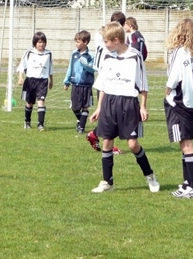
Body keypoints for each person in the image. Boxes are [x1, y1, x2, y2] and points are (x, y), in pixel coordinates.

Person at [89, 22, 159, 193]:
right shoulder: (107, 56)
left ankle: (150, 176)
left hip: (128, 103)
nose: (104, 44)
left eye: (106, 41)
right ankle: (107, 182)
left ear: (116, 40)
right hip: (109, 102)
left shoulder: (135, 56)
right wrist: (99, 108)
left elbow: (143, 83)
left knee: (133, 144)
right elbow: (103, 85)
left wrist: (143, 106)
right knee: (107, 142)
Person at [164, 19, 193, 199]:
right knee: (183, 143)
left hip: (178, 103)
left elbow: (173, 77)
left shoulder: (179, 52)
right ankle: (187, 184)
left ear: (178, 33)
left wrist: (167, 94)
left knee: (186, 144)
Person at [86, 10, 126, 153]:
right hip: (108, 80)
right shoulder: (112, 42)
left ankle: (96, 135)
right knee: (110, 115)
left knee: (110, 114)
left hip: (105, 78)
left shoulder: (101, 35)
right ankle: (102, 140)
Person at [17, 31, 53, 131]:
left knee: (41, 102)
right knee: (30, 103)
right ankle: (27, 121)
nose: (41, 44)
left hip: (43, 81)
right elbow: (22, 66)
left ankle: (40, 124)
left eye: (43, 42)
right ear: (35, 43)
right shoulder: (29, 52)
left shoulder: (48, 53)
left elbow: (50, 68)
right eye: (39, 42)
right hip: (30, 81)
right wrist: (20, 77)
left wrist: (51, 80)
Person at [63, 30, 96, 134]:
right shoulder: (74, 54)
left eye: (78, 42)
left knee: (85, 106)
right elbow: (70, 67)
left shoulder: (90, 55)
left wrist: (85, 63)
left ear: (85, 42)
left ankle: (81, 127)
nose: (76, 44)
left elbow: (93, 69)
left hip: (86, 84)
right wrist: (67, 81)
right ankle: (80, 120)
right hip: (75, 84)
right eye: (76, 41)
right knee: (75, 107)